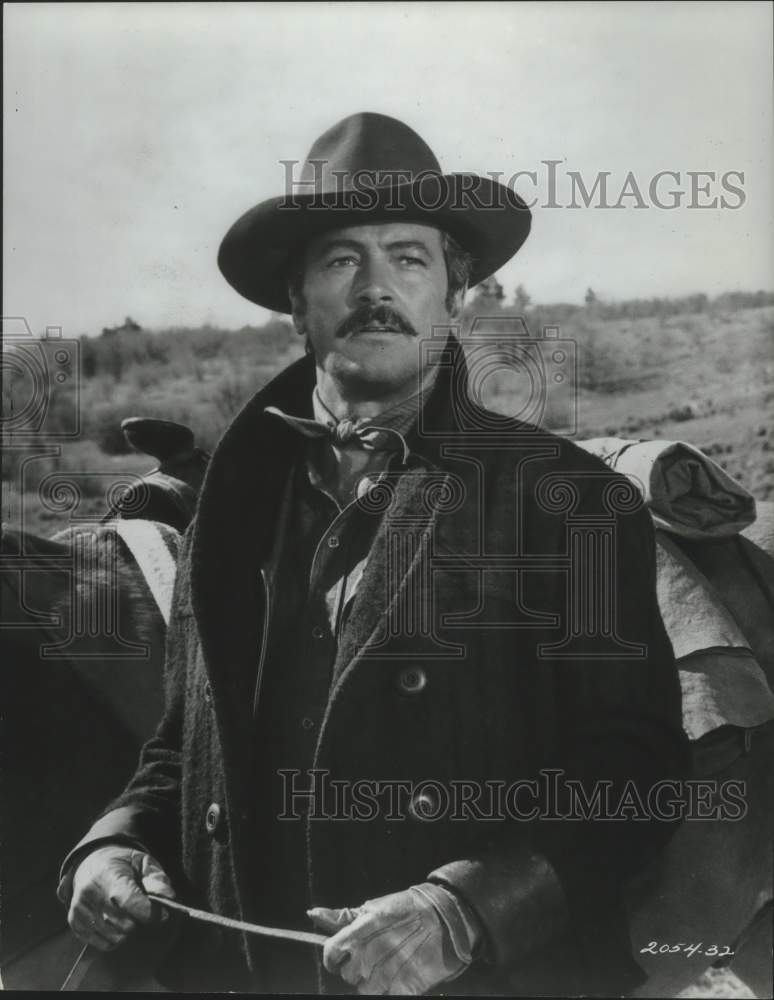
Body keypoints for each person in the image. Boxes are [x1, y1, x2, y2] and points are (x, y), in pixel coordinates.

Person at [58, 112, 689, 995]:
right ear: (297, 299)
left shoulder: (569, 501)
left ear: (454, 293)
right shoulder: (228, 512)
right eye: (342, 259)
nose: (375, 287)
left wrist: (464, 909)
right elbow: (182, 747)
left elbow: (636, 771)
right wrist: (117, 843)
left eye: (409, 257)